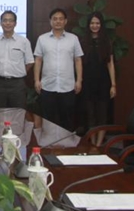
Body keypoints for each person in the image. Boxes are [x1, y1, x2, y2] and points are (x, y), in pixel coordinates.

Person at [33, 8, 84, 132]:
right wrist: (36, 80)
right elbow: (38, 60)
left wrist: (79, 80)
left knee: (67, 120)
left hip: (67, 86)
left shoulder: (73, 39)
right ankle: (48, 143)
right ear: (50, 21)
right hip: (47, 86)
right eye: (55, 19)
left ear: (65, 21)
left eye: (61, 19)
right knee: (48, 119)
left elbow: (78, 60)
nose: (58, 21)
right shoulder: (42, 39)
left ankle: (67, 143)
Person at [0, 10, 34, 136]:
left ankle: (15, 141)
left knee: (18, 117)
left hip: (17, 84)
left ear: (15, 23)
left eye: (10, 20)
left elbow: (30, 62)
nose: (7, 23)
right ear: (0, 23)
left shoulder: (23, 41)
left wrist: (19, 73)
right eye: (5, 20)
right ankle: (0, 140)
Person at [79, 12, 116, 146]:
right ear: (88, 25)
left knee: (102, 114)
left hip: (103, 82)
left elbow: (110, 64)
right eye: (92, 23)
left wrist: (113, 85)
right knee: (90, 115)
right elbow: (78, 62)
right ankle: (92, 143)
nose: (95, 26)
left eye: (97, 23)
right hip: (87, 82)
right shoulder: (83, 42)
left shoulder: (107, 41)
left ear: (101, 25)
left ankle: (99, 145)